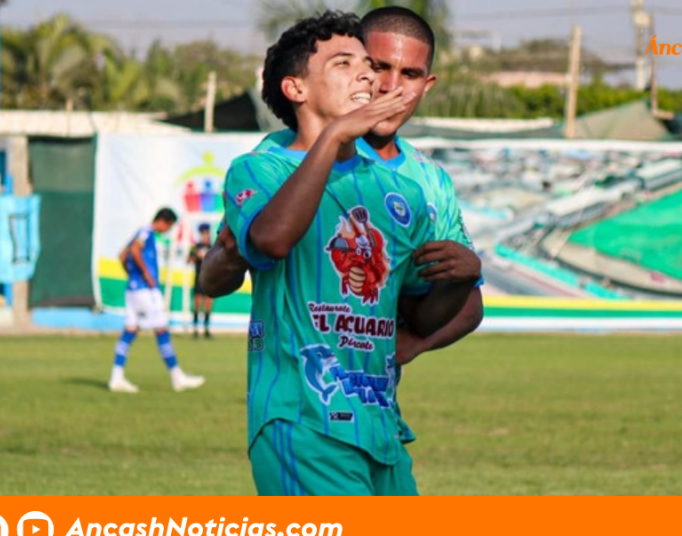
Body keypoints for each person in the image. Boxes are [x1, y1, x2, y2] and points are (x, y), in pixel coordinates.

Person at [201, 11, 480, 495]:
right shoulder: (262, 167)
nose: (373, 78)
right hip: (303, 418)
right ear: (296, 89)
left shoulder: (410, 191)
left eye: (369, 67)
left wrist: (462, 278)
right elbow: (263, 244)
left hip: (380, 424)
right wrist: (335, 136)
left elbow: (420, 312)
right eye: (349, 63)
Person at [109, 208, 205, 393]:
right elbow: (135, 250)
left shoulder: (140, 232)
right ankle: (178, 378)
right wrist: (145, 273)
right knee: (161, 330)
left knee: (130, 331)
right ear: (163, 221)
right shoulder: (147, 232)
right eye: (168, 226)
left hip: (132, 290)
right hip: (146, 291)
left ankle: (116, 377)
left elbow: (122, 256)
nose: (167, 230)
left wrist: (132, 275)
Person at [188, 223, 214, 338]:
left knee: (208, 303)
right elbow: (188, 260)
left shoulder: (213, 247)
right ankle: (195, 329)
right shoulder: (196, 247)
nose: (205, 235)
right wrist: (196, 256)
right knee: (197, 303)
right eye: (203, 233)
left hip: (210, 279)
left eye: (207, 233)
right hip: (199, 278)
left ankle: (206, 329)